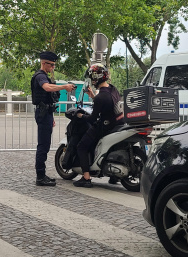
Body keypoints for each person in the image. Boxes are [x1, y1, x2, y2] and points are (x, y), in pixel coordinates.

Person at [73, 63, 124, 188]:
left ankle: (86, 177)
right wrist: (93, 97)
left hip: (105, 127)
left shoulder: (101, 97)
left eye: (92, 78)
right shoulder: (113, 89)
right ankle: (113, 176)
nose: (91, 81)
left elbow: (92, 119)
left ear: (95, 79)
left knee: (81, 146)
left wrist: (80, 116)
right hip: (118, 124)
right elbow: (108, 104)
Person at [31, 51, 75, 186]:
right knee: (43, 145)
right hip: (43, 114)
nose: (53, 68)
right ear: (44, 63)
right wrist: (64, 86)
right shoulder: (40, 76)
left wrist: (52, 116)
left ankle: (42, 174)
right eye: (51, 65)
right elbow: (47, 88)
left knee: (45, 144)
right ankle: (40, 176)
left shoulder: (44, 75)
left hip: (47, 113)